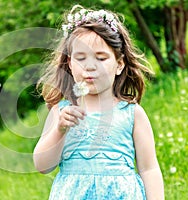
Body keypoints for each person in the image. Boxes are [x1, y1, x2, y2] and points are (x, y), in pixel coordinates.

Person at [33, 4, 164, 200]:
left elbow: (149, 168)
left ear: (119, 65)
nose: (90, 66)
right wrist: (59, 130)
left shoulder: (131, 113)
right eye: (81, 58)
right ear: (69, 64)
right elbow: (43, 166)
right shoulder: (62, 112)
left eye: (101, 58)